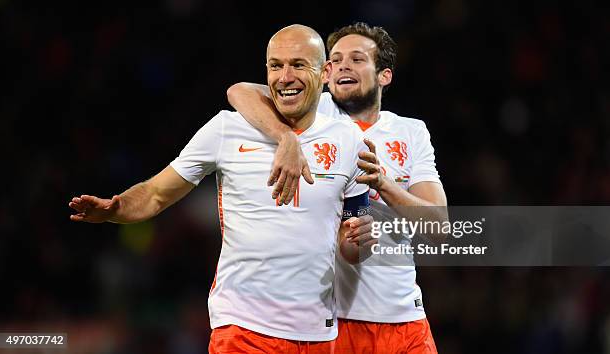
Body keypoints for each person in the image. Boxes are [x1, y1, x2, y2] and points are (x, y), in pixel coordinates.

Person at [69, 24, 377, 354]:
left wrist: (360, 242)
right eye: (276, 65)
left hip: (320, 333)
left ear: (325, 71)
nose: (285, 77)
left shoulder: (349, 142)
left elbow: (353, 240)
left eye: (299, 65)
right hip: (242, 330)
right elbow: (156, 193)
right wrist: (115, 209)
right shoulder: (227, 129)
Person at [227, 22, 447, 353]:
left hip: (405, 319)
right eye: (337, 60)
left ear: (383, 75)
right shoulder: (312, 112)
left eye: (357, 59)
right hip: (333, 322)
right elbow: (238, 92)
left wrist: (382, 183)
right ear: (326, 74)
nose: (344, 65)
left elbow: (438, 227)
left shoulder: (411, 131)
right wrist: (284, 135)